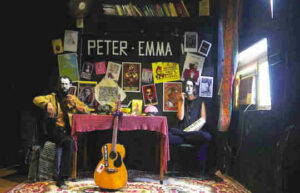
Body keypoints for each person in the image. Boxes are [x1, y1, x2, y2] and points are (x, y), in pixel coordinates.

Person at [33, 76, 90, 188]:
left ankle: (76, 171)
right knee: (69, 142)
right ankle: (62, 178)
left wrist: (75, 105)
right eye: (62, 84)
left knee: (75, 140)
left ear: (70, 86)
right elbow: (36, 99)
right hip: (54, 129)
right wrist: (47, 104)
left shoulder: (72, 98)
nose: (64, 86)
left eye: (66, 84)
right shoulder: (51, 97)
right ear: (58, 85)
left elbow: (87, 110)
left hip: (67, 130)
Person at [168, 78, 222, 181]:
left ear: (194, 88)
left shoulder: (200, 101)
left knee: (207, 136)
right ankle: (184, 136)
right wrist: (181, 102)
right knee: (168, 136)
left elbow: (203, 119)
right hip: (182, 132)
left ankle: (207, 170)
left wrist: (193, 130)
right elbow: (180, 117)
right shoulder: (181, 100)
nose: (188, 88)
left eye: (190, 86)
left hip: (195, 133)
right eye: (186, 86)